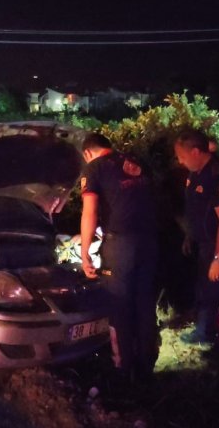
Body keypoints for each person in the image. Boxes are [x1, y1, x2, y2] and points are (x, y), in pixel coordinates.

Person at [79, 133, 159, 382]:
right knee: (145, 305)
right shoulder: (134, 161)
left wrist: (84, 252)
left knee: (119, 306)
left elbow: (90, 212)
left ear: (88, 153)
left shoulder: (94, 168)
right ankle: (147, 367)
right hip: (150, 242)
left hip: (121, 246)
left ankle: (122, 369)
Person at [174, 128, 219, 347]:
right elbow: (195, 209)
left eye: (182, 157)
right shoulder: (196, 174)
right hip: (203, 244)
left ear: (195, 152)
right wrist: (189, 236)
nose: (180, 162)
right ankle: (204, 332)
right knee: (205, 291)